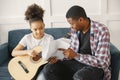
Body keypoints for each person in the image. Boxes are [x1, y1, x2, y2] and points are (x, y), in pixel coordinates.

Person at [42, 5, 111, 80]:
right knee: (48, 69)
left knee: (79, 77)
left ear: (81, 20)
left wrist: (76, 55)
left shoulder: (102, 30)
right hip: (77, 63)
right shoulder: (75, 30)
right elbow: (72, 51)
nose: (71, 27)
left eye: (72, 24)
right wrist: (58, 58)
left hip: (94, 67)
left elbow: (102, 62)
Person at [11, 4, 55, 80]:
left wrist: (52, 58)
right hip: (28, 66)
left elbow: (52, 55)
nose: (39, 32)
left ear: (44, 25)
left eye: (41, 28)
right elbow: (14, 52)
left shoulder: (49, 38)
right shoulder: (27, 37)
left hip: (42, 67)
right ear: (31, 28)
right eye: (35, 29)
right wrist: (27, 51)